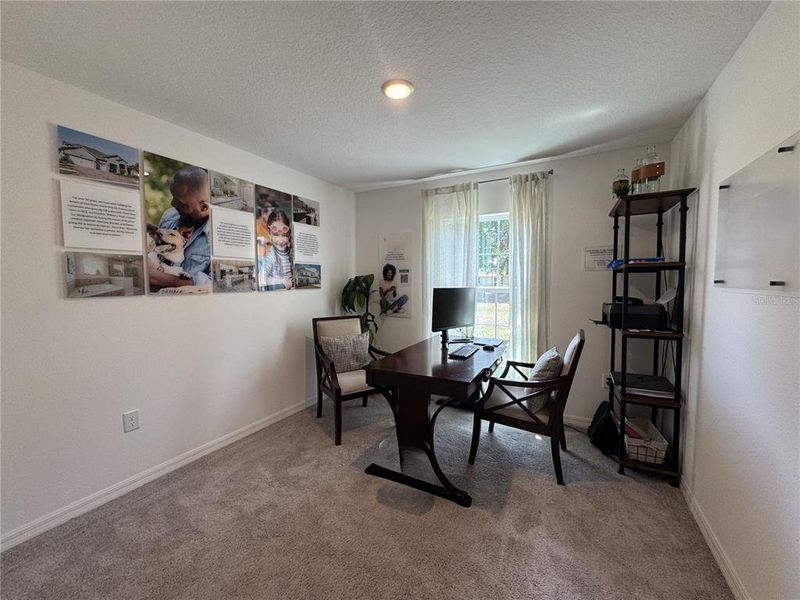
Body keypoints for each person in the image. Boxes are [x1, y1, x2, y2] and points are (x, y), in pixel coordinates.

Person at [148, 166, 211, 290]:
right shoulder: (169, 216)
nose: (172, 204)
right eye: (173, 197)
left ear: (203, 207)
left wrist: (157, 277)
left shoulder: (217, 237)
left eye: (181, 202)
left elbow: (216, 285)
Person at [261, 209, 294, 290]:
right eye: (276, 235)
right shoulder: (271, 254)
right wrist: (282, 281)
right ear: (269, 233)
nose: (281, 240)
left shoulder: (291, 252)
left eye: (284, 235)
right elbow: (260, 278)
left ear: (289, 234)